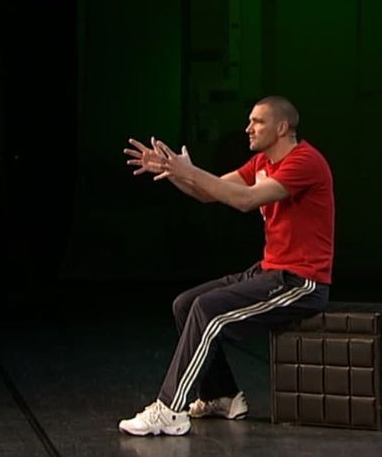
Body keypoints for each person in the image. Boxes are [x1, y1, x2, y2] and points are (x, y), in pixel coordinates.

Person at [118, 96, 334, 436]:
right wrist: (172, 171)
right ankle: (222, 396)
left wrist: (189, 170)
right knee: (186, 304)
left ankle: (170, 409)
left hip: (301, 282)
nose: (248, 128)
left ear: (282, 127)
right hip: (270, 270)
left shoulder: (305, 161)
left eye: (257, 122)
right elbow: (209, 192)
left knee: (207, 309)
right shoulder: (262, 162)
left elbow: (246, 200)